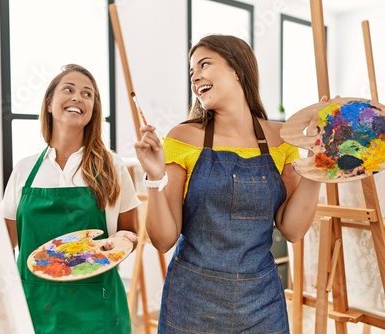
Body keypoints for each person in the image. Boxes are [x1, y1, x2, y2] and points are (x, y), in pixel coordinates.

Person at [134, 34, 322, 333]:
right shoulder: (183, 138)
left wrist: (317, 162)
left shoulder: (280, 138)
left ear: (236, 68)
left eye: (204, 64)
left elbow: (293, 229)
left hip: (261, 302)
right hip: (192, 302)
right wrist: (155, 178)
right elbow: (164, 239)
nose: (195, 77)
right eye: (191, 72)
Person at [2, 63, 140, 334]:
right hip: (35, 307)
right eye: (69, 89)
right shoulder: (25, 170)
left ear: (93, 111)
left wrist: (122, 241)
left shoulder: (112, 166)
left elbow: (130, 233)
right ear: (50, 103)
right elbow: (5, 243)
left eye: (88, 94)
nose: (78, 97)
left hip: (97, 310)